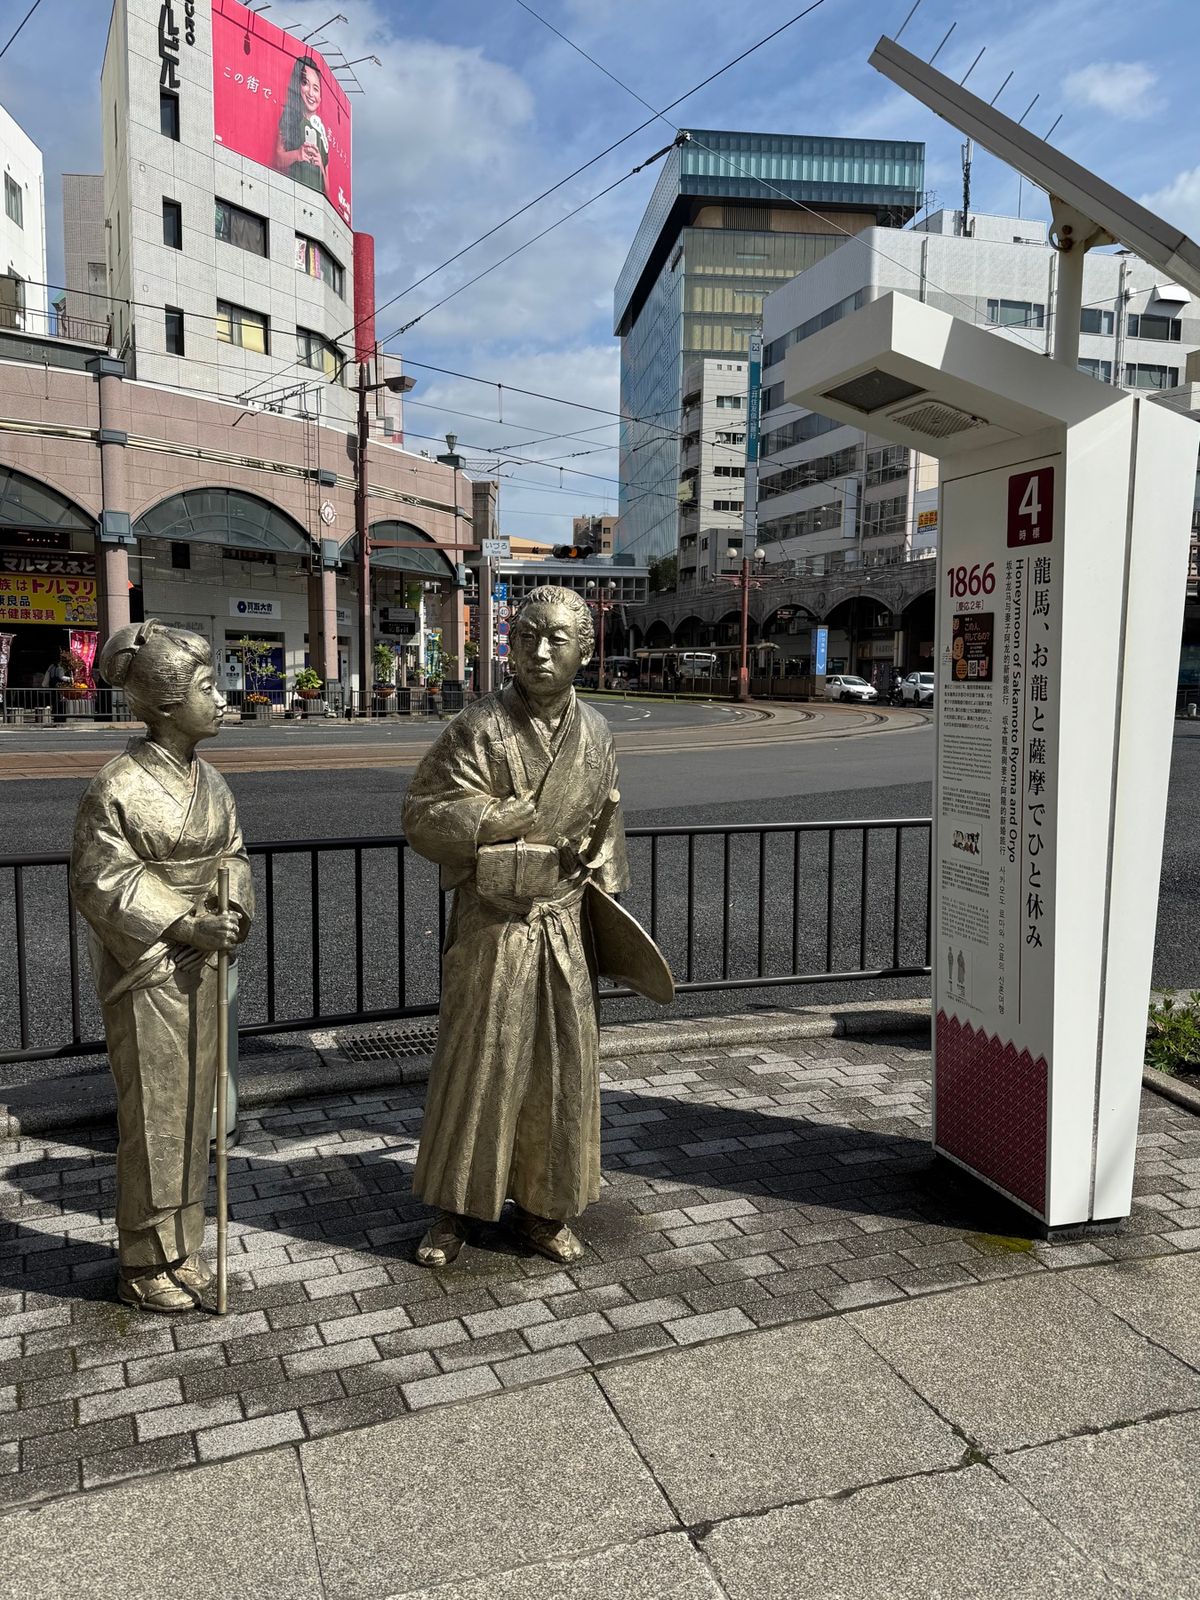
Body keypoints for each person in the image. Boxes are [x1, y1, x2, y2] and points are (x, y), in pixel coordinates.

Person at [403, 586, 632, 1268]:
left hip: (563, 923)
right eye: (526, 636)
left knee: (560, 1070)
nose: (538, 651)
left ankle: (544, 1208)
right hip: (492, 925)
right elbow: (421, 814)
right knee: (479, 1064)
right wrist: (488, 820)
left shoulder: (596, 733)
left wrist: (599, 870)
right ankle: (452, 1211)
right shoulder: (478, 727)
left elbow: (607, 827)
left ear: (585, 652)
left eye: (556, 639)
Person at [70, 621, 253, 1312]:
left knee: (196, 1106)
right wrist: (183, 921)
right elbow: (99, 878)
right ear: (169, 703)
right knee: (155, 1112)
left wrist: (231, 910)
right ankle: (146, 1260)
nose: (221, 697)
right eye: (207, 687)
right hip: (149, 968)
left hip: (201, 962)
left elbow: (232, 853)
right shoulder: (117, 785)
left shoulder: (213, 783)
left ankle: (185, 1247)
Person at [274, 56, 328, 195]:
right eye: (305, 83)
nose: (311, 92)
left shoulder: (322, 134)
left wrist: (321, 165)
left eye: (316, 88)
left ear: (320, 96)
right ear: (297, 85)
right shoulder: (289, 119)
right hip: (292, 195)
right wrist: (298, 154)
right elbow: (276, 159)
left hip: (316, 204)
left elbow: (328, 192)